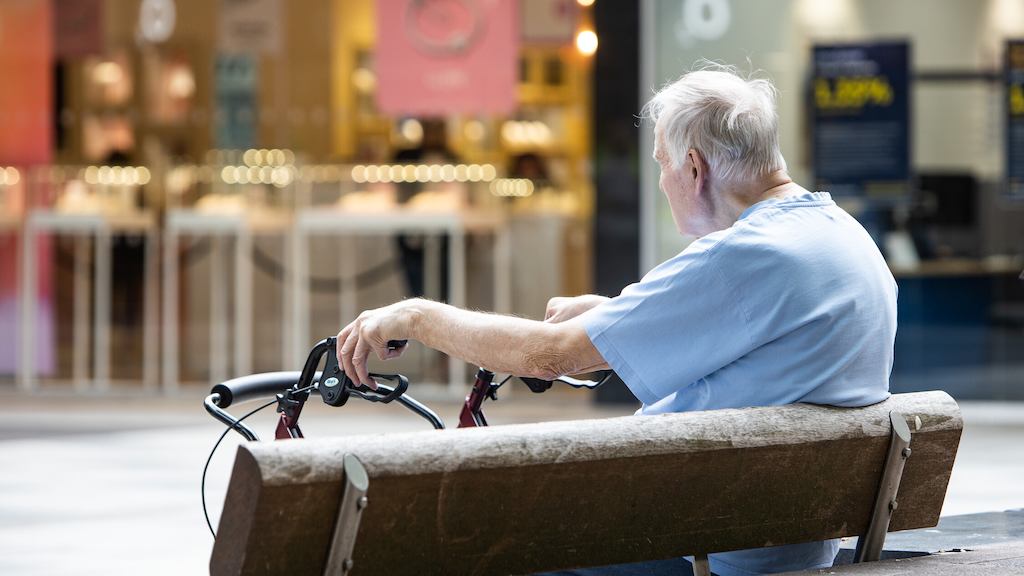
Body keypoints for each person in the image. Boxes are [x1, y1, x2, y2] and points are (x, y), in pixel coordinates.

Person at [335, 63, 897, 576]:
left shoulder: (742, 258)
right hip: (786, 536)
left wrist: (416, 315)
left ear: (694, 166)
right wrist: (614, 315)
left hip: (703, 547)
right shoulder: (842, 237)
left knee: (469, 543)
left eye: (661, 163)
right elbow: (759, 338)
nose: (660, 180)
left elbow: (550, 355)